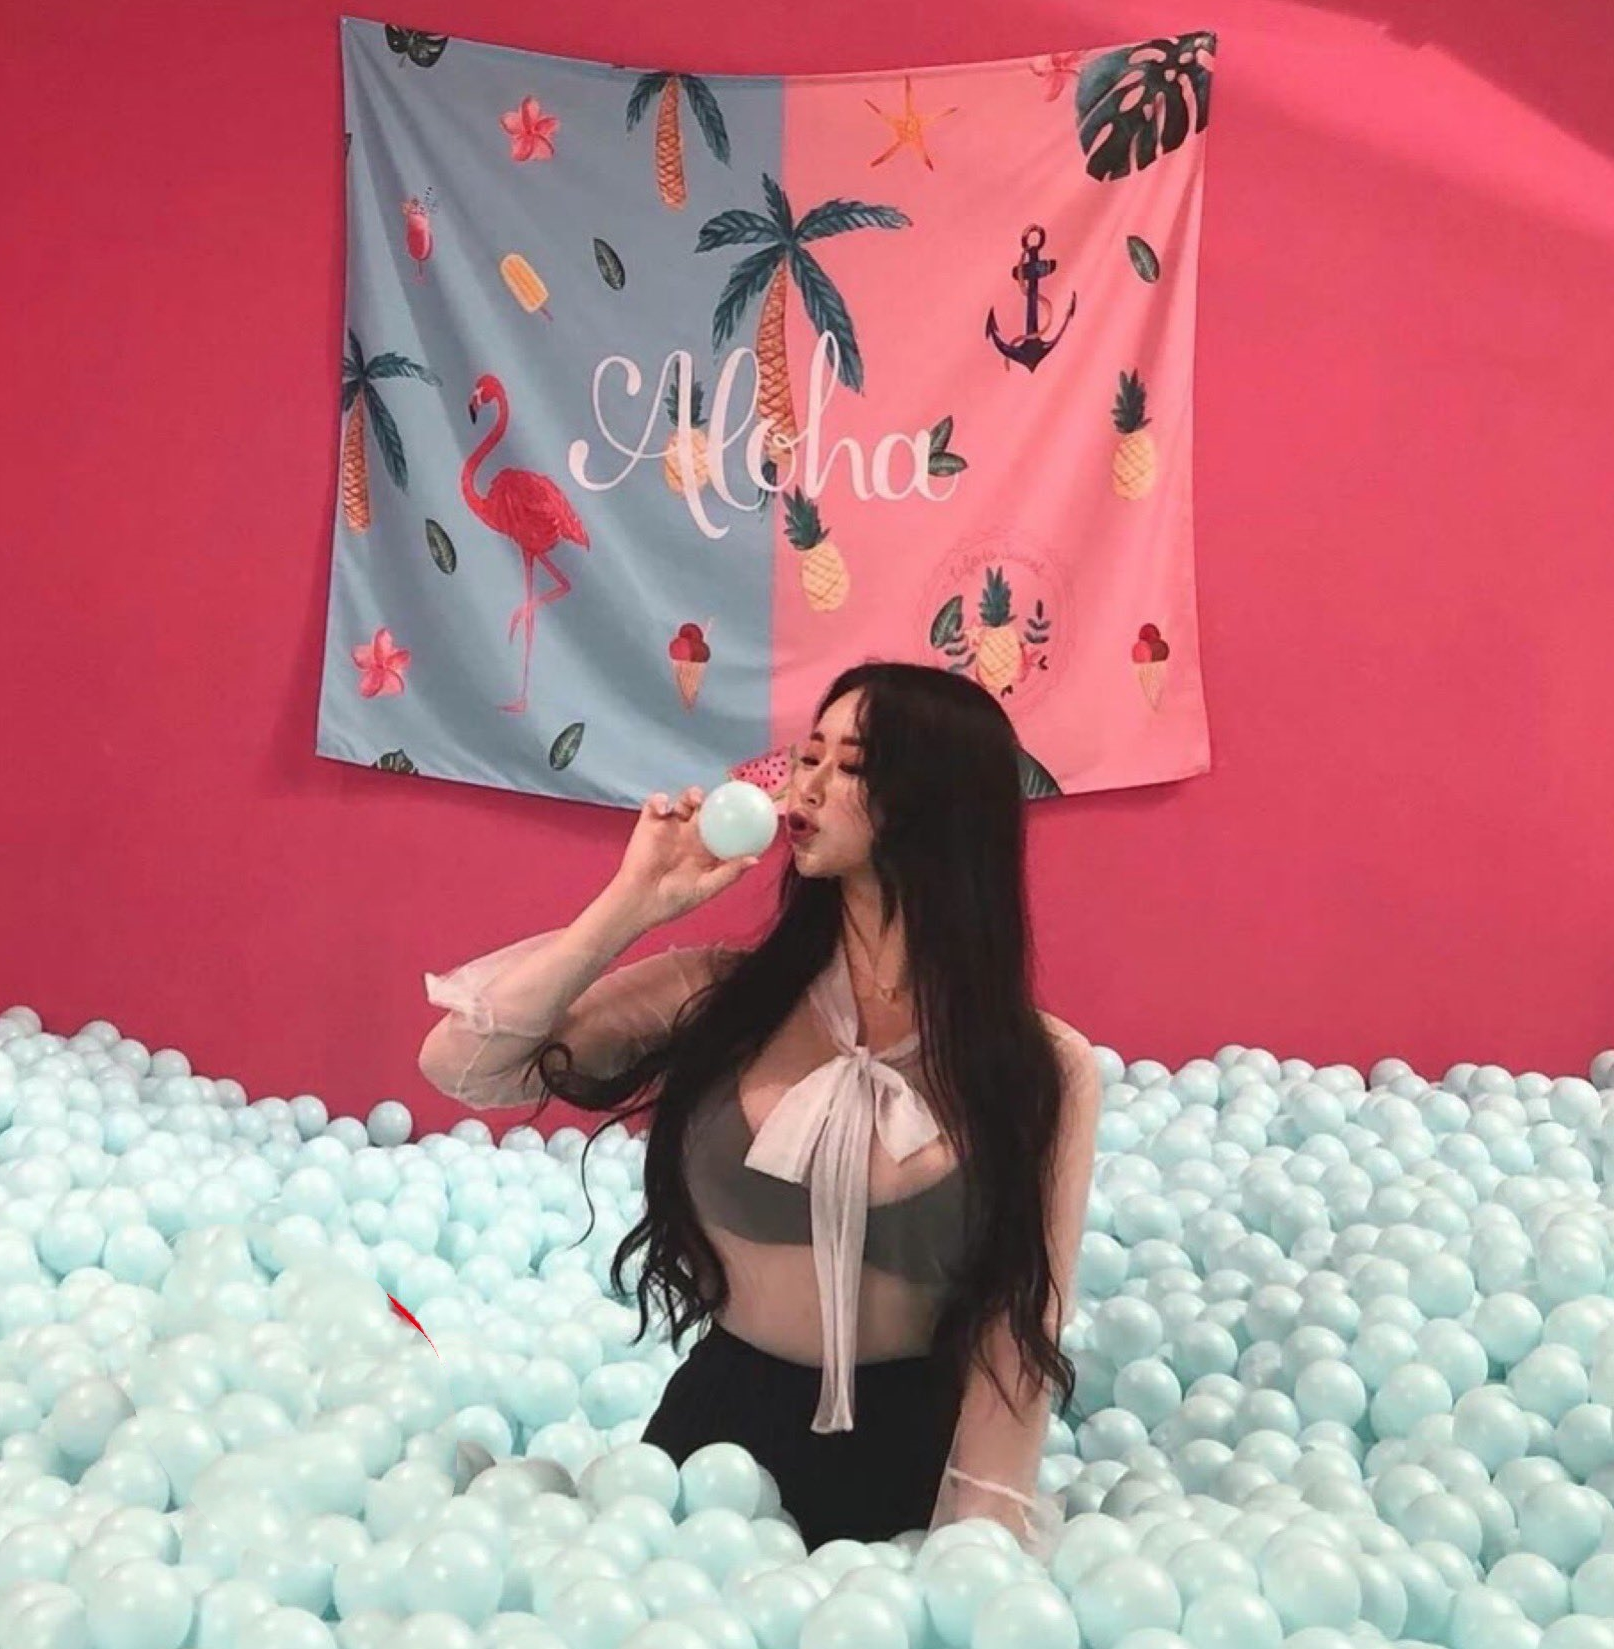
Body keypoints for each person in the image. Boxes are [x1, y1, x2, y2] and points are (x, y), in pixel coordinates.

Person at [418, 662, 1103, 1552]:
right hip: (716, 1448)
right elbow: (465, 1067)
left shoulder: (1044, 1068)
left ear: (942, 803)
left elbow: (1019, 1330)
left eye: (851, 766)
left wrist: (979, 1539)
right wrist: (632, 904)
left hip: (915, 1464)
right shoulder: (717, 995)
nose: (805, 787)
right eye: (808, 756)